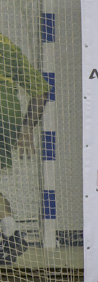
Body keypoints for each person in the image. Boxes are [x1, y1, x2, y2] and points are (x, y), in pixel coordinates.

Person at [0, 32, 50, 264]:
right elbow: (41, 91)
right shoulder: (6, 43)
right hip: (8, 117)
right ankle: (10, 235)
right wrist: (27, 128)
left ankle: (11, 237)